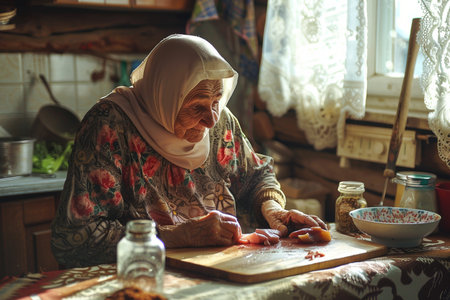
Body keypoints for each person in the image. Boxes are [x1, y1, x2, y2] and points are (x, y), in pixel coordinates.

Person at [51, 34, 326, 268]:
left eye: (217, 100)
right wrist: (178, 235)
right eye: (197, 106)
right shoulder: (109, 127)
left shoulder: (221, 122)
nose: (211, 120)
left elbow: (255, 176)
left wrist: (271, 206)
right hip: (144, 276)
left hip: (225, 268)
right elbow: (77, 238)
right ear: (165, 94)